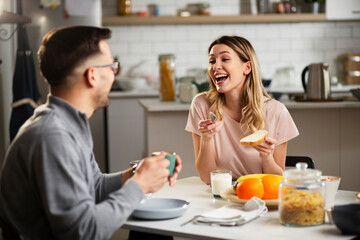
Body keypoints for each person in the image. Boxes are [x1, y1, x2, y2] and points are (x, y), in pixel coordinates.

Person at [0, 26, 182, 240]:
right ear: (93, 75)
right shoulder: (53, 135)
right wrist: (139, 185)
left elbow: (93, 187)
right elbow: (83, 232)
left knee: (156, 233)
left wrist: (136, 173)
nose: (114, 75)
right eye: (113, 67)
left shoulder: (66, 122)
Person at [185, 36, 298, 184]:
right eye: (212, 61)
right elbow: (207, 178)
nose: (215, 66)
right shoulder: (202, 105)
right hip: (221, 194)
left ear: (247, 68)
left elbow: (278, 180)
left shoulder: (276, 111)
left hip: (260, 194)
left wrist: (267, 158)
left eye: (225, 59)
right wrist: (206, 138)